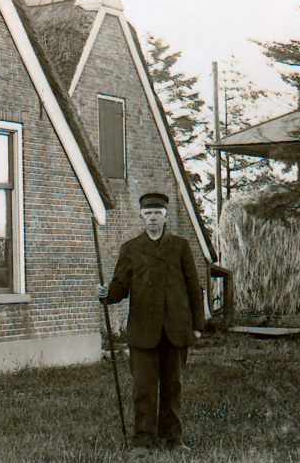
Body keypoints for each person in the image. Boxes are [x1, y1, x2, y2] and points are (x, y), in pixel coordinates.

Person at [96, 191, 204, 457]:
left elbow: (193, 287)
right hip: (143, 331)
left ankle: (173, 439)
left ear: (165, 217)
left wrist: (198, 325)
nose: (153, 218)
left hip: (175, 330)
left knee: (172, 386)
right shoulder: (131, 249)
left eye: (157, 213)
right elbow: (121, 285)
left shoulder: (180, 246)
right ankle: (142, 441)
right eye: (148, 214)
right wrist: (107, 293)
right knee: (144, 388)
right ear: (141, 217)